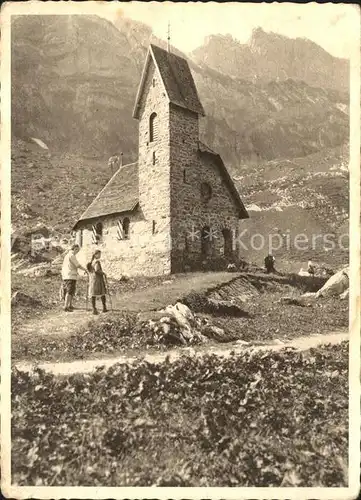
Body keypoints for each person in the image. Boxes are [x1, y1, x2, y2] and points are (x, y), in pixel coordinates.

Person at [61, 244, 87, 312]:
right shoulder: (71, 256)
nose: (77, 252)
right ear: (74, 249)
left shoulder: (67, 255)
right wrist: (85, 270)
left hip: (67, 275)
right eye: (77, 250)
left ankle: (69, 305)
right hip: (70, 276)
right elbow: (77, 265)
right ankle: (66, 306)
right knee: (69, 291)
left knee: (71, 290)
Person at [87, 250, 108, 315]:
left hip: (92, 279)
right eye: (99, 254)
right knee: (102, 292)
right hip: (97, 279)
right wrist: (103, 273)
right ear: (95, 255)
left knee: (93, 293)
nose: (100, 255)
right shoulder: (96, 262)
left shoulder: (91, 262)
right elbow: (97, 270)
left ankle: (94, 309)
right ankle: (104, 308)